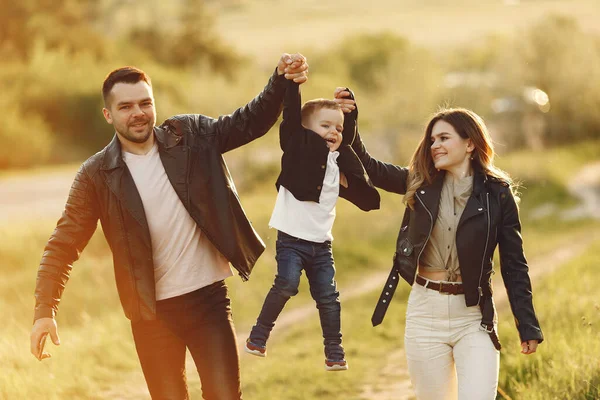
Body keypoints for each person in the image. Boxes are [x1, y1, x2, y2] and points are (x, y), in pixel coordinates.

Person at [29, 53, 308, 400]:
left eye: (145, 103)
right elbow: (63, 244)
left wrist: (280, 80)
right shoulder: (96, 175)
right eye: (126, 106)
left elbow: (248, 121)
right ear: (108, 114)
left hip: (208, 301)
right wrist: (45, 310)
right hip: (151, 316)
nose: (138, 113)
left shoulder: (190, 136)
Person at [334, 89, 543, 399]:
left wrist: (527, 324)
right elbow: (370, 168)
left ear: (470, 143)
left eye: (444, 138)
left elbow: (514, 264)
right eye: (432, 140)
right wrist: (349, 121)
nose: (435, 146)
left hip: (473, 316)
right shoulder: (420, 184)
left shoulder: (498, 194)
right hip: (425, 313)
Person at [244, 80, 380, 371]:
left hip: (321, 244)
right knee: (287, 284)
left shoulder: (339, 161)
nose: (333, 132)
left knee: (328, 298)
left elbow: (350, 139)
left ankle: (334, 351)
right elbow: (292, 116)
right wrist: (292, 84)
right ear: (306, 131)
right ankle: (259, 335)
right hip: (291, 239)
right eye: (325, 126)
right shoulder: (298, 148)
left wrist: (350, 115)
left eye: (337, 129)